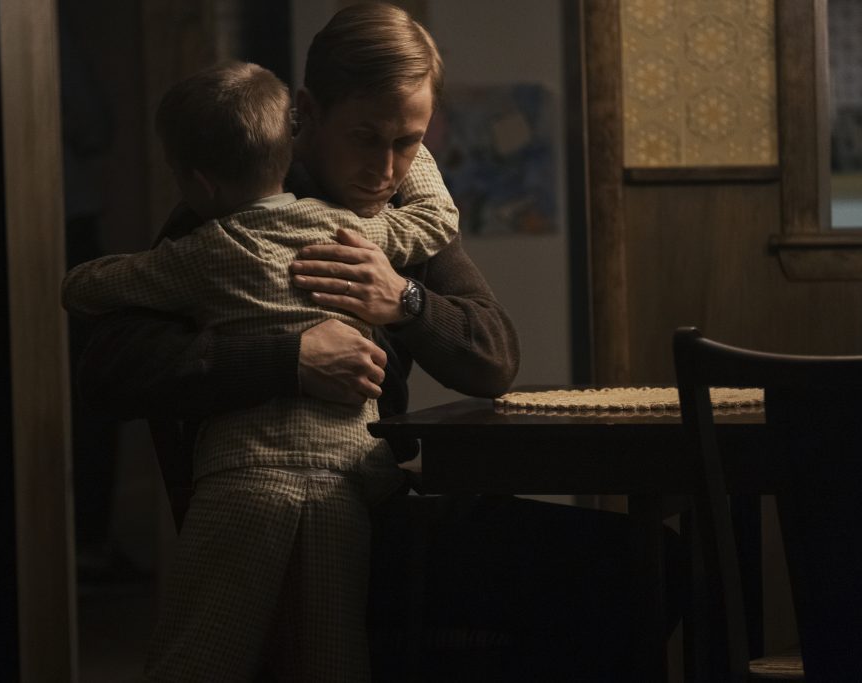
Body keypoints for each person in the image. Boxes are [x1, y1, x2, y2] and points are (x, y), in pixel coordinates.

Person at [76, 3, 681, 681]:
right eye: (366, 138)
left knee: (652, 564)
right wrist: (286, 361)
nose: (386, 169)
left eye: (408, 143)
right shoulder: (237, 204)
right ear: (307, 114)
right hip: (282, 505)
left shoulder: (395, 220)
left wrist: (404, 301)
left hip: (378, 497)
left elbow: (495, 359)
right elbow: (107, 369)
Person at [63, 59, 460, 681]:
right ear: (291, 147)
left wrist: (89, 274)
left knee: (199, 652)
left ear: (200, 185)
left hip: (242, 479)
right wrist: (411, 147)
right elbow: (435, 219)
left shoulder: (207, 250)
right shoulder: (350, 233)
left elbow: (90, 289)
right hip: (345, 483)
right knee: (332, 658)